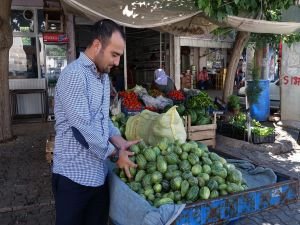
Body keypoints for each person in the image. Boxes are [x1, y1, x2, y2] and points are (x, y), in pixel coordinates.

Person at [52, 19, 139, 225]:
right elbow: (82, 130)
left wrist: (119, 141)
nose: (117, 62)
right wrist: (115, 153)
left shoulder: (102, 77)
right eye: (114, 55)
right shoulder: (74, 76)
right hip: (74, 179)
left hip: (98, 176)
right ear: (98, 45)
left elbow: (102, 120)